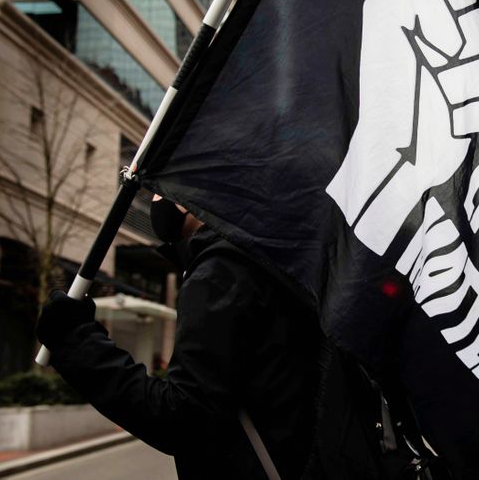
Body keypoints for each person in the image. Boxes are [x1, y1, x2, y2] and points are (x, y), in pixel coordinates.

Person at [36, 196, 320, 479]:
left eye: (159, 192)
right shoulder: (264, 260)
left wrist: (77, 341)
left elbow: (183, 418)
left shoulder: (220, 273)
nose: (155, 200)